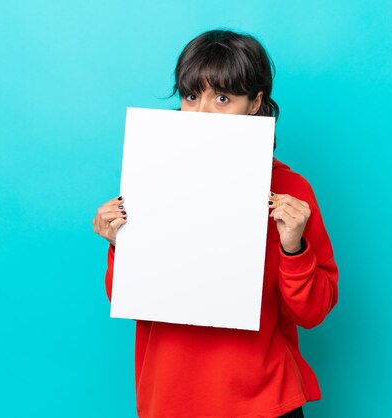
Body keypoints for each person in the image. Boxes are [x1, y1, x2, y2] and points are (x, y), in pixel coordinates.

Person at [92, 29, 339, 418]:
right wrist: (121, 244)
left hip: (264, 401)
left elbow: (313, 312)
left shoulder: (291, 191)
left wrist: (294, 247)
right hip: (170, 399)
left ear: (255, 103)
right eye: (192, 96)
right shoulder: (152, 177)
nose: (203, 112)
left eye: (223, 98)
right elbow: (128, 300)